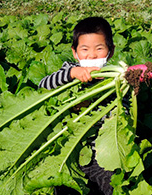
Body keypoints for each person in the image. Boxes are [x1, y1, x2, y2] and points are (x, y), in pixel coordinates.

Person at [39, 17, 115, 195]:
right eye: (85, 49)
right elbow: (43, 86)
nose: (92, 55)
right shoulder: (68, 70)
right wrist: (73, 73)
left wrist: (91, 105)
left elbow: (122, 114)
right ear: (75, 53)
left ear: (110, 52)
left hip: (99, 154)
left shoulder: (115, 81)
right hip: (67, 148)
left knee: (110, 183)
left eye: (99, 49)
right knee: (61, 185)